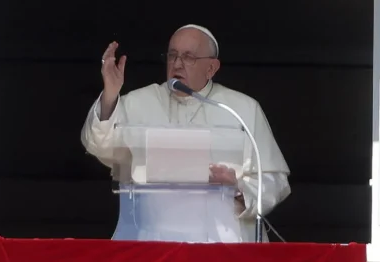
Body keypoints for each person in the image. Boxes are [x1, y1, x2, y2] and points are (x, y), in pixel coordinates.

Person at [81, 24, 291, 242]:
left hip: (224, 245)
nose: (177, 64)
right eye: (172, 55)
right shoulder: (138, 102)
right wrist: (110, 94)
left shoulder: (241, 109)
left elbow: (274, 181)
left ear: (211, 68)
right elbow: (99, 145)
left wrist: (238, 189)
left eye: (188, 57)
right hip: (154, 242)